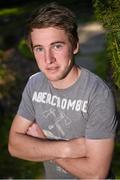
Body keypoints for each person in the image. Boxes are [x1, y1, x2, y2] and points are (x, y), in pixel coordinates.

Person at [8, 2, 117, 179]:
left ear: (74, 46)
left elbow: (96, 174)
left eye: (57, 46)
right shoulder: (35, 84)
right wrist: (68, 148)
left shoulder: (97, 94)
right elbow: (14, 146)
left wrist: (42, 142)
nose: (48, 59)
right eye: (39, 49)